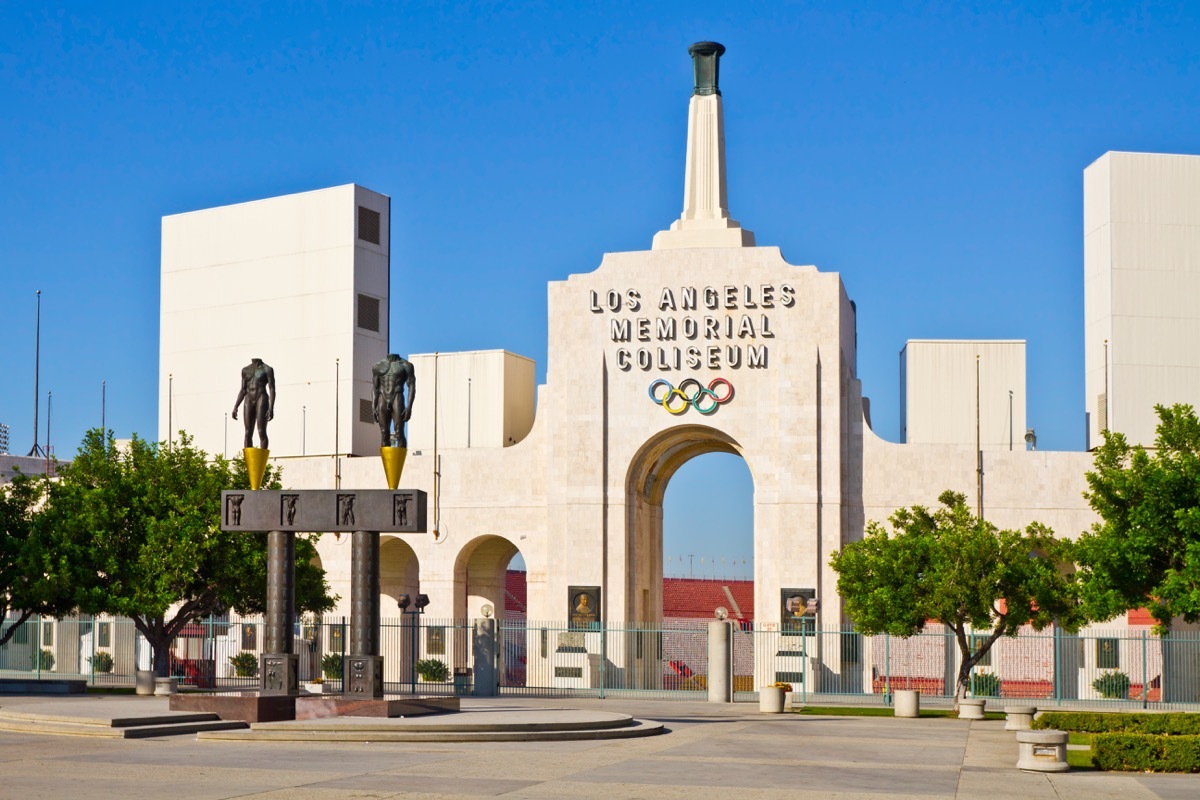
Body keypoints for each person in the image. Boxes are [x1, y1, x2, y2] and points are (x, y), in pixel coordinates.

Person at [372, 353, 417, 447]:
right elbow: (375, 388)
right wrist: (373, 406)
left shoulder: (406, 365)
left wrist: (409, 407)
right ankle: (387, 461)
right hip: (382, 398)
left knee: (399, 432)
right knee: (384, 433)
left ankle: (400, 461)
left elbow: (411, 386)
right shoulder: (377, 366)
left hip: (397, 397)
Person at [232, 358, 276, 449]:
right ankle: (249, 461)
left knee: (261, 431)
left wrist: (271, 407)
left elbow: (272, 388)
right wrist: (236, 406)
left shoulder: (267, 369)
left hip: (261, 397)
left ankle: (262, 462)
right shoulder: (245, 370)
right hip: (248, 399)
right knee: (248, 432)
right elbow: (243, 390)